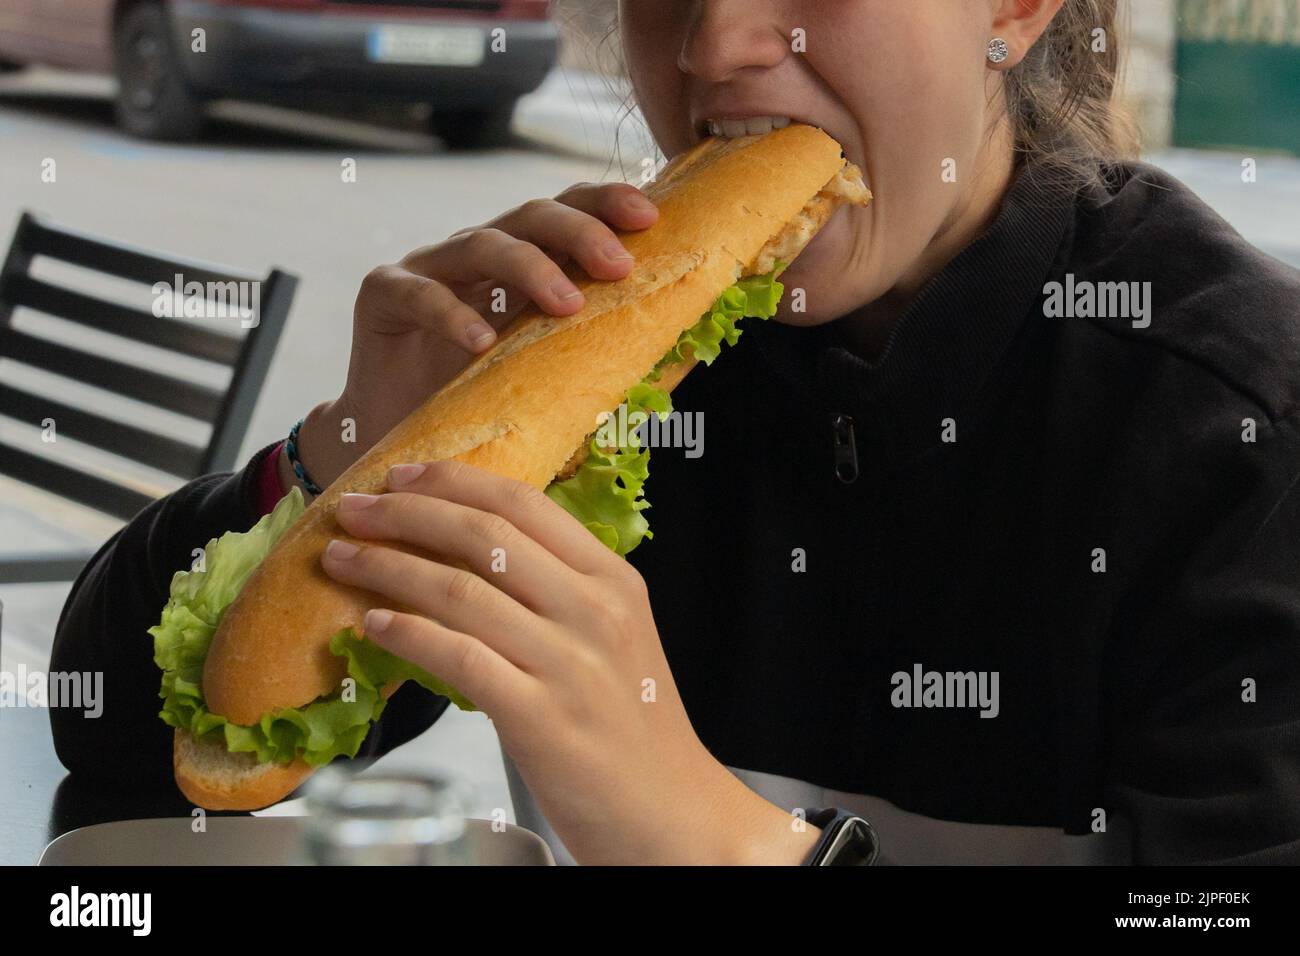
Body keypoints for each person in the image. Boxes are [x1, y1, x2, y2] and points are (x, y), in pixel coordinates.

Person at [50, 0, 1300, 865]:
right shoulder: (598, 345)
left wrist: (725, 842)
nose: (714, 44)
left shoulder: (1239, 426)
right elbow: (107, 742)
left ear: (1014, 9)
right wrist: (336, 465)